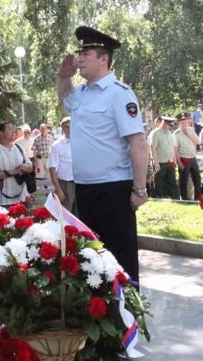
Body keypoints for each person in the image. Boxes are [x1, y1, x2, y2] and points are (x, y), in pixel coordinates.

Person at [58, 26, 149, 281]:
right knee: (92, 263)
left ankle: (128, 318)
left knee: (120, 261)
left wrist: (139, 189)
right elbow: (65, 98)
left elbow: (138, 143)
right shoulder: (81, 93)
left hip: (114, 190)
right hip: (85, 190)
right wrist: (64, 77)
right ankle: (99, 316)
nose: (80, 59)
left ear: (103, 59)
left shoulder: (119, 93)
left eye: (86, 53)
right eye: (80, 53)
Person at [0, 121, 34, 208]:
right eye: (10, 129)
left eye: (13, 129)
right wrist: (14, 171)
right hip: (4, 202)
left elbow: (31, 166)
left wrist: (25, 167)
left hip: (23, 199)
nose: (13, 132)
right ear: (1, 133)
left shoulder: (20, 148)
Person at [48, 117, 76, 214]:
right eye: (67, 127)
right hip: (65, 184)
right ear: (62, 129)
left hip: (79, 182)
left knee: (79, 216)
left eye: (71, 126)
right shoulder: (57, 146)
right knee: (64, 215)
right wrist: (58, 189)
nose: (70, 129)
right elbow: (52, 169)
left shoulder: (79, 143)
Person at [148, 115, 180, 199]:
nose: (170, 127)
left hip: (170, 161)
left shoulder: (169, 133)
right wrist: (156, 163)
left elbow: (172, 148)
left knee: (172, 180)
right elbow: (153, 148)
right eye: (169, 125)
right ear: (164, 124)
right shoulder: (156, 133)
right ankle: (158, 196)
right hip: (161, 162)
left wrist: (174, 160)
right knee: (159, 181)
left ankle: (175, 197)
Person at [174, 111, 201, 200]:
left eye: (186, 122)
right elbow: (175, 150)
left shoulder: (191, 130)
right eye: (182, 122)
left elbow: (198, 142)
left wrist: (189, 134)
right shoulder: (176, 134)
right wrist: (179, 163)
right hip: (183, 158)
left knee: (197, 177)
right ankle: (185, 198)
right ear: (179, 123)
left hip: (192, 157)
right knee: (184, 180)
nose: (185, 124)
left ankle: (198, 196)